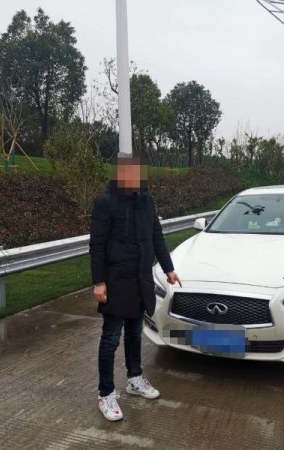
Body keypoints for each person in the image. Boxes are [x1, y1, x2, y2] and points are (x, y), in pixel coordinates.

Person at [89, 154, 181, 422]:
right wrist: (99, 282)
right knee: (110, 339)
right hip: (116, 280)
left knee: (134, 333)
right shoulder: (106, 202)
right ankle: (106, 393)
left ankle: (135, 378)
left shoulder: (146, 201)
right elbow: (97, 245)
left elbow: (156, 236)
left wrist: (168, 268)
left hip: (141, 278)